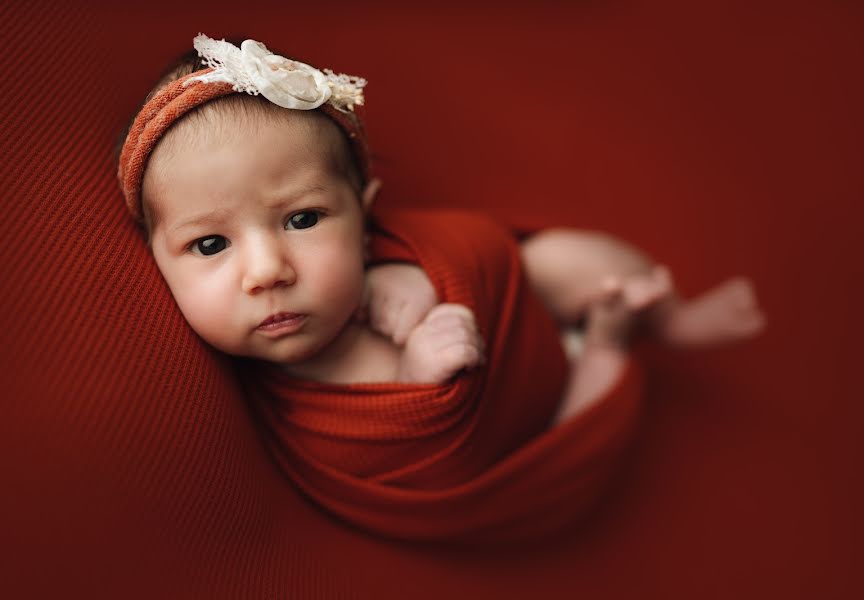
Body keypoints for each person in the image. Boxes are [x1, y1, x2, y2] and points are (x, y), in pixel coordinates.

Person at [118, 34, 765, 426]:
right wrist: (420, 376)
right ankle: (611, 343)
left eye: (303, 219)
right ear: (154, 254)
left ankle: (669, 317)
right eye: (210, 244)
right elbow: (392, 443)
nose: (267, 272)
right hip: (533, 413)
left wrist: (412, 271)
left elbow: (469, 251)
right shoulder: (292, 388)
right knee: (586, 399)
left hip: (517, 315)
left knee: (557, 257)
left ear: (365, 213)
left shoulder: (378, 255)